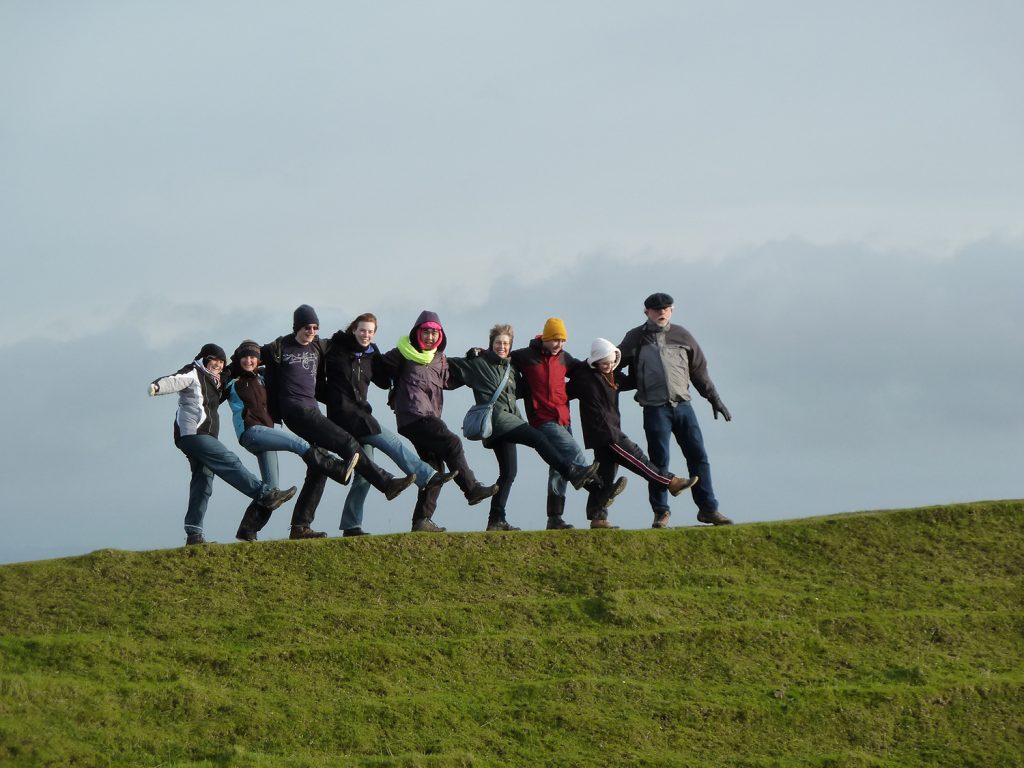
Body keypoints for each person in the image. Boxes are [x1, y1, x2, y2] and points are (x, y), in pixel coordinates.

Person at [260, 305, 417, 539]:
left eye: (314, 327)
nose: (310, 331)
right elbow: (249, 353)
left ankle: (300, 526)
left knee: (319, 468)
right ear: (296, 327)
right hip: (295, 410)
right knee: (347, 442)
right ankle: (385, 483)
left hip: (312, 409)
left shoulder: (318, 345)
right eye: (306, 327)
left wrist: (393, 354)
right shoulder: (280, 346)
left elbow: (345, 346)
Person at [448, 324, 601, 531]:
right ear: (491, 344)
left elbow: (525, 389)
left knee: (509, 473)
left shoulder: (511, 368)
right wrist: (472, 353)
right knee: (538, 438)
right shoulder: (479, 362)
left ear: (510, 346)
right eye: (498, 343)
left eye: (506, 343)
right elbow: (448, 364)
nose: (502, 346)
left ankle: (496, 520)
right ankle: (572, 471)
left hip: (507, 422)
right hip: (498, 420)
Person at [322, 313, 458, 536]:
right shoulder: (333, 348)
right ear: (353, 329)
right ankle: (427, 475)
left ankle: (351, 525)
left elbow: (383, 379)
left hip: (361, 414)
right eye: (362, 330)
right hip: (344, 417)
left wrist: (402, 371)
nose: (366, 335)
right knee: (391, 442)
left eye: (370, 331)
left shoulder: (370, 354)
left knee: (364, 474)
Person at [148, 343, 297, 546]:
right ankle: (264, 494)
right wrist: (157, 387)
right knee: (229, 461)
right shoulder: (193, 372)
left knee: (203, 481)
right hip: (194, 433)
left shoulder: (217, 381)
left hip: (205, 436)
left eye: (221, 361)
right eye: (214, 360)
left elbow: (240, 370)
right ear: (204, 359)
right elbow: (174, 380)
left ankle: (194, 533)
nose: (218, 364)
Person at [618, 292, 733, 527]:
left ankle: (708, 509)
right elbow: (612, 364)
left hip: (683, 407)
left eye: (666, 308)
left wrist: (714, 399)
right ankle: (661, 512)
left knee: (698, 456)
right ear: (646, 312)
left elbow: (699, 370)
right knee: (659, 462)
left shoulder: (683, 335)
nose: (661, 313)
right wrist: (622, 385)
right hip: (654, 408)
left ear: (672, 310)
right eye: (656, 309)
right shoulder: (635, 338)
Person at [379, 310, 499, 532]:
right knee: (452, 442)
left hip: (429, 415)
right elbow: (376, 367)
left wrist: (477, 358)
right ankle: (471, 489)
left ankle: (422, 520)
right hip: (412, 415)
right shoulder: (401, 353)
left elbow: (450, 380)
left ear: (440, 336)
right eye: (426, 332)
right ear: (417, 332)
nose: (430, 337)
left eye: (435, 333)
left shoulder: (439, 359)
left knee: (435, 469)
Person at [222, 339, 354, 541]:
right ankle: (336, 468)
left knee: (271, 491)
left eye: (253, 357)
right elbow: (214, 387)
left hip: (267, 433)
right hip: (251, 432)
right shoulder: (232, 382)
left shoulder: (263, 378)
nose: (249, 360)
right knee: (298, 444)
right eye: (245, 357)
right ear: (238, 359)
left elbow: (283, 370)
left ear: (259, 360)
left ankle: (248, 529)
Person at [567, 338, 698, 529]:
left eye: (612, 362)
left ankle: (597, 516)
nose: (609, 366)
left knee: (604, 478)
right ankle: (671, 481)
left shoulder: (615, 376)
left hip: (609, 434)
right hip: (606, 435)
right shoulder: (583, 376)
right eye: (605, 362)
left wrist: (639, 358)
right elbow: (562, 392)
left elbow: (634, 381)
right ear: (595, 360)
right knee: (640, 460)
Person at [510, 317, 626, 530]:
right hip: (542, 420)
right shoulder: (524, 357)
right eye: (555, 340)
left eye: (563, 340)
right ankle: (600, 490)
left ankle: (554, 518)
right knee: (576, 455)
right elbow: (501, 355)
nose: (559, 345)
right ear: (545, 337)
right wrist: (481, 351)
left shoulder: (564, 358)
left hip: (564, 419)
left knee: (559, 469)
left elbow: (583, 370)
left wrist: (603, 361)